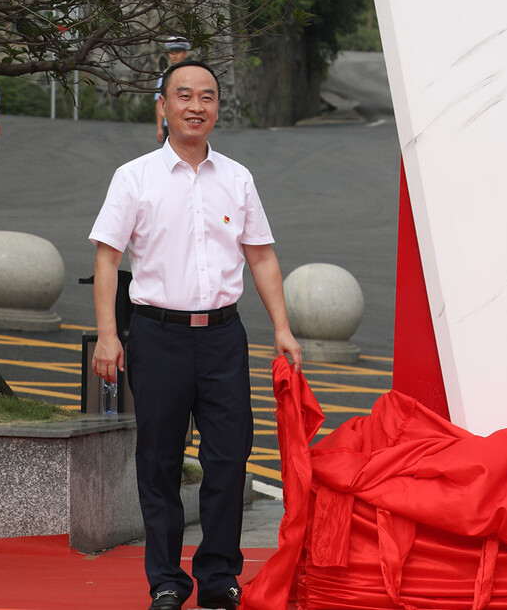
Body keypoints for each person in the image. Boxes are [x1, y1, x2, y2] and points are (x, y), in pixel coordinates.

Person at [90, 59, 302, 610]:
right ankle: (165, 579)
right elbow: (108, 259)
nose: (195, 106)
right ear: (163, 106)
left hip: (223, 339)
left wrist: (282, 327)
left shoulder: (237, 178)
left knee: (229, 458)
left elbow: (261, 257)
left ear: (216, 108)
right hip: (158, 337)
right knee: (158, 461)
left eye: (206, 97)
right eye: (183, 95)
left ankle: (218, 576)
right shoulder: (134, 177)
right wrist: (109, 336)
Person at [155, 37, 191, 144]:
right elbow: (160, 101)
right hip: (169, 125)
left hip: (187, 123)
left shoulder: (191, 75)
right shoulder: (164, 75)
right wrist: (159, 127)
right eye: (172, 52)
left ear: (185, 54)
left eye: (178, 52)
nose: (174, 55)